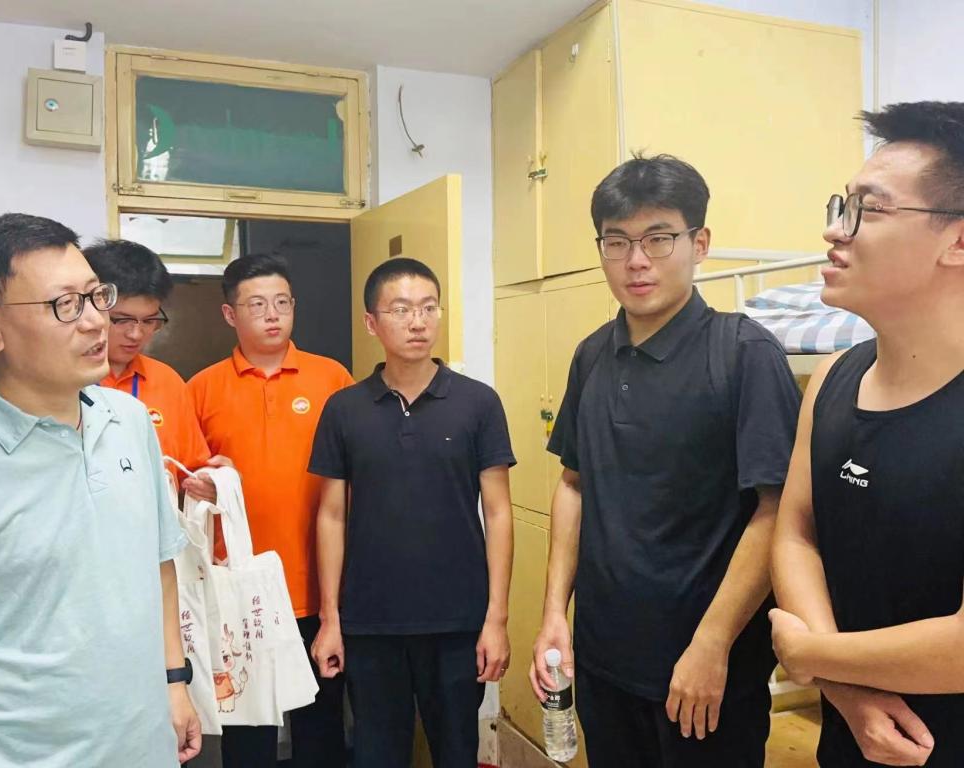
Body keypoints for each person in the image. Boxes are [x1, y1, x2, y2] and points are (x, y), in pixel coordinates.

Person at [530, 155, 801, 767]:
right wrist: (554, 616)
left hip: (704, 670)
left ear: (699, 243)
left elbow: (777, 510)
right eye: (617, 241)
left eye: (659, 238)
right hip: (603, 659)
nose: (636, 260)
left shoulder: (743, 354)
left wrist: (713, 643)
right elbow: (573, 485)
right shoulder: (592, 355)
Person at [0, 213, 200, 766]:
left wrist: (174, 681)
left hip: (143, 746)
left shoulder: (129, 420)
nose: (95, 322)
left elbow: (159, 565)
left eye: (96, 296)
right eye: (65, 305)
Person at [770, 101, 964, 767]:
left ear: (957, 241)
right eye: (841, 205)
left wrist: (810, 654)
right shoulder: (831, 379)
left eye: (868, 210)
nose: (834, 230)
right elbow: (796, 532)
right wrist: (842, 687)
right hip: (849, 736)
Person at [309, 257, 515, 768]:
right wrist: (331, 619)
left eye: (428, 308)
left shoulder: (478, 403)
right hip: (370, 622)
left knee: (457, 752)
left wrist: (496, 619)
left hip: (458, 621)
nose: (418, 322)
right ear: (371, 322)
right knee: (377, 754)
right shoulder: (343, 409)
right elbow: (331, 516)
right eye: (400, 310)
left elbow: (498, 512)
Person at [187, 253, 353, 767]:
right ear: (229, 314)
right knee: (249, 729)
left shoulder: (332, 378)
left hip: (320, 587)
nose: (273, 314)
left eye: (282, 302)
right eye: (257, 305)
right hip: (239, 589)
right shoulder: (202, 388)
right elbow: (186, 482)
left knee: (321, 723)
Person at [84, 239, 225, 495]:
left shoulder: (167, 381)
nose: (136, 334)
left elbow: (190, 472)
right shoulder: (60, 380)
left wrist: (216, 481)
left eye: (149, 321)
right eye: (121, 320)